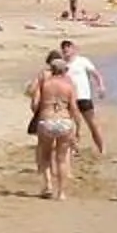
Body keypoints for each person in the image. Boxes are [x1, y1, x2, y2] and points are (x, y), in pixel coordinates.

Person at [28, 49, 83, 199]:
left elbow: (35, 103)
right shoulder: (69, 85)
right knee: (61, 158)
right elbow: (74, 109)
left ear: (52, 70)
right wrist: (78, 128)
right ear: (64, 71)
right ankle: (61, 193)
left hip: (47, 120)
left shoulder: (45, 84)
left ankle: (48, 185)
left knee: (45, 155)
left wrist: (39, 113)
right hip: (64, 121)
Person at [56, 39, 108, 154]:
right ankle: (73, 149)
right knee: (70, 126)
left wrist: (101, 86)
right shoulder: (62, 65)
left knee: (93, 124)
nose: (66, 51)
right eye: (64, 50)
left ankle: (102, 149)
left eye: (68, 48)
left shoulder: (82, 61)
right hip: (68, 100)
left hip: (83, 97)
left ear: (73, 49)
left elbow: (96, 74)